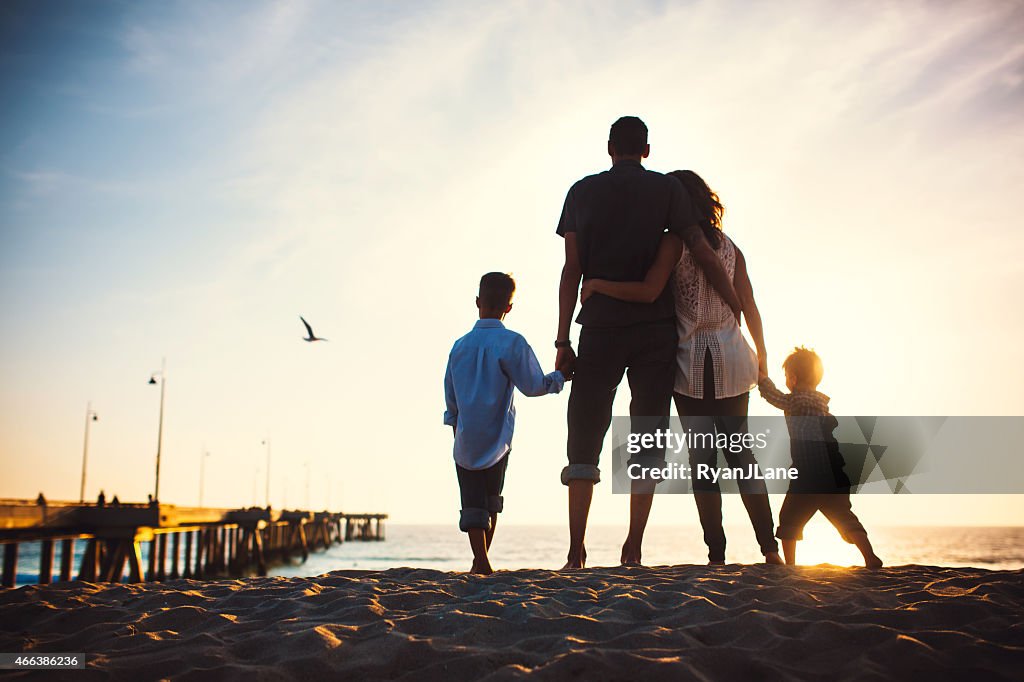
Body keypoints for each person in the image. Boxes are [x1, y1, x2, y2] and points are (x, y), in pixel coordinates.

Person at [556, 117, 743, 568]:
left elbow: (571, 271)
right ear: (646, 150)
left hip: (599, 329)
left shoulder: (581, 191)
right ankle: (633, 546)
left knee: (584, 435)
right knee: (647, 435)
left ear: (608, 148)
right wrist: (735, 305)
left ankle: (576, 549)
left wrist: (562, 339)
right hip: (654, 333)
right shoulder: (667, 191)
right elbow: (700, 250)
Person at [581, 169, 783, 565]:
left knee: (703, 462)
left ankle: (717, 556)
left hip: (690, 363)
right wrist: (762, 361)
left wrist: (599, 284)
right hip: (734, 361)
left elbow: (648, 292)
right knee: (742, 457)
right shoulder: (730, 247)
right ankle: (770, 550)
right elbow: (751, 306)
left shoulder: (672, 244)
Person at [444, 272, 566, 574]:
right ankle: (482, 560)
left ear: (477, 302)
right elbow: (534, 385)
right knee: (492, 499)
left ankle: (479, 560)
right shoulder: (512, 343)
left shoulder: (459, 346)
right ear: (509, 307)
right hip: (499, 437)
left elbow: (450, 392)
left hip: (467, 435)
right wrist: (560, 378)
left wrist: (453, 423)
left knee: (471, 501)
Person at [759, 347, 883, 568]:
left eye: (787, 377)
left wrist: (760, 378)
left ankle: (791, 564)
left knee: (789, 519)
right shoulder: (821, 403)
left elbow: (774, 396)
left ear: (794, 379)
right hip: (832, 474)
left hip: (807, 475)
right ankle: (870, 556)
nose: (786, 381)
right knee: (845, 518)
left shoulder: (796, 401)